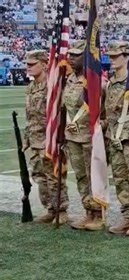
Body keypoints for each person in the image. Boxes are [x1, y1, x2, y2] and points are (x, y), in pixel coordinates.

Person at [103, 40, 129, 236]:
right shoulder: (111, 81)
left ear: (127, 56)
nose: (111, 60)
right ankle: (127, 215)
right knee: (120, 179)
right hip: (114, 137)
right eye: (110, 56)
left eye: (116, 56)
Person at [24, 49, 68, 224]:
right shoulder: (30, 87)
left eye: (32, 64)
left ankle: (61, 209)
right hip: (35, 139)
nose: (28, 67)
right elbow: (29, 115)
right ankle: (50, 208)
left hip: (49, 139)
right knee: (39, 175)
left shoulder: (53, 86)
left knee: (54, 175)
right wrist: (26, 138)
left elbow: (61, 112)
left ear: (44, 64)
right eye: (26, 64)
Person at [63, 40, 104, 230]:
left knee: (93, 176)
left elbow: (104, 111)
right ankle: (87, 210)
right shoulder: (70, 80)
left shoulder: (96, 80)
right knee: (80, 176)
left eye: (76, 55)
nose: (71, 58)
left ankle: (98, 214)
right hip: (73, 137)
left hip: (90, 137)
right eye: (70, 54)